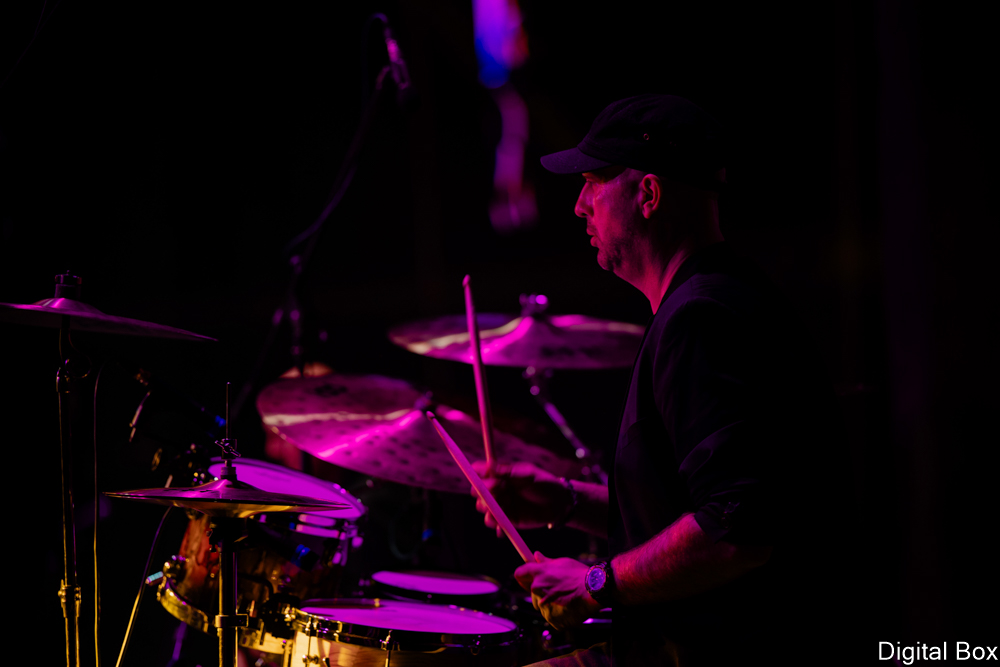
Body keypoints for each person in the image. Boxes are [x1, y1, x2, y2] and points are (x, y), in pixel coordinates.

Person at [472, 95, 851, 666]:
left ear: (648, 195)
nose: (579, 206)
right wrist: (567, 500)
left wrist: (593, 583)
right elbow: (691, 506)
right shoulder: (722, 296)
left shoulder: (701, 319)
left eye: (593, 183)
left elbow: (738, 529)